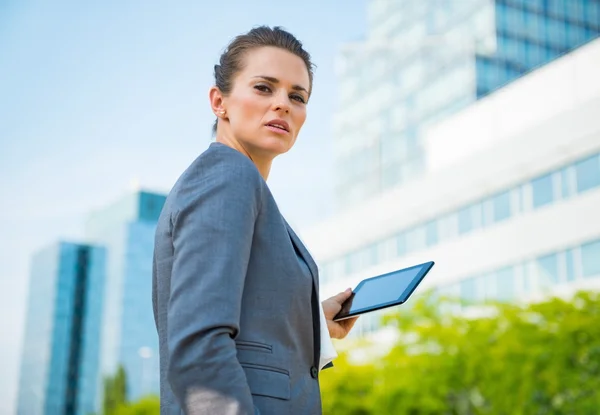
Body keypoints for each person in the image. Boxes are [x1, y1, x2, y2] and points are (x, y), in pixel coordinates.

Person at [152, 25, 358, 415]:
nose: (283, 104)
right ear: (219, 101)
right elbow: (199, 344)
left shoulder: (239, 185)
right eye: (264, 87)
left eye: (297, 96)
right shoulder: (226, 174)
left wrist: (312, 323)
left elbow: (249, 339)